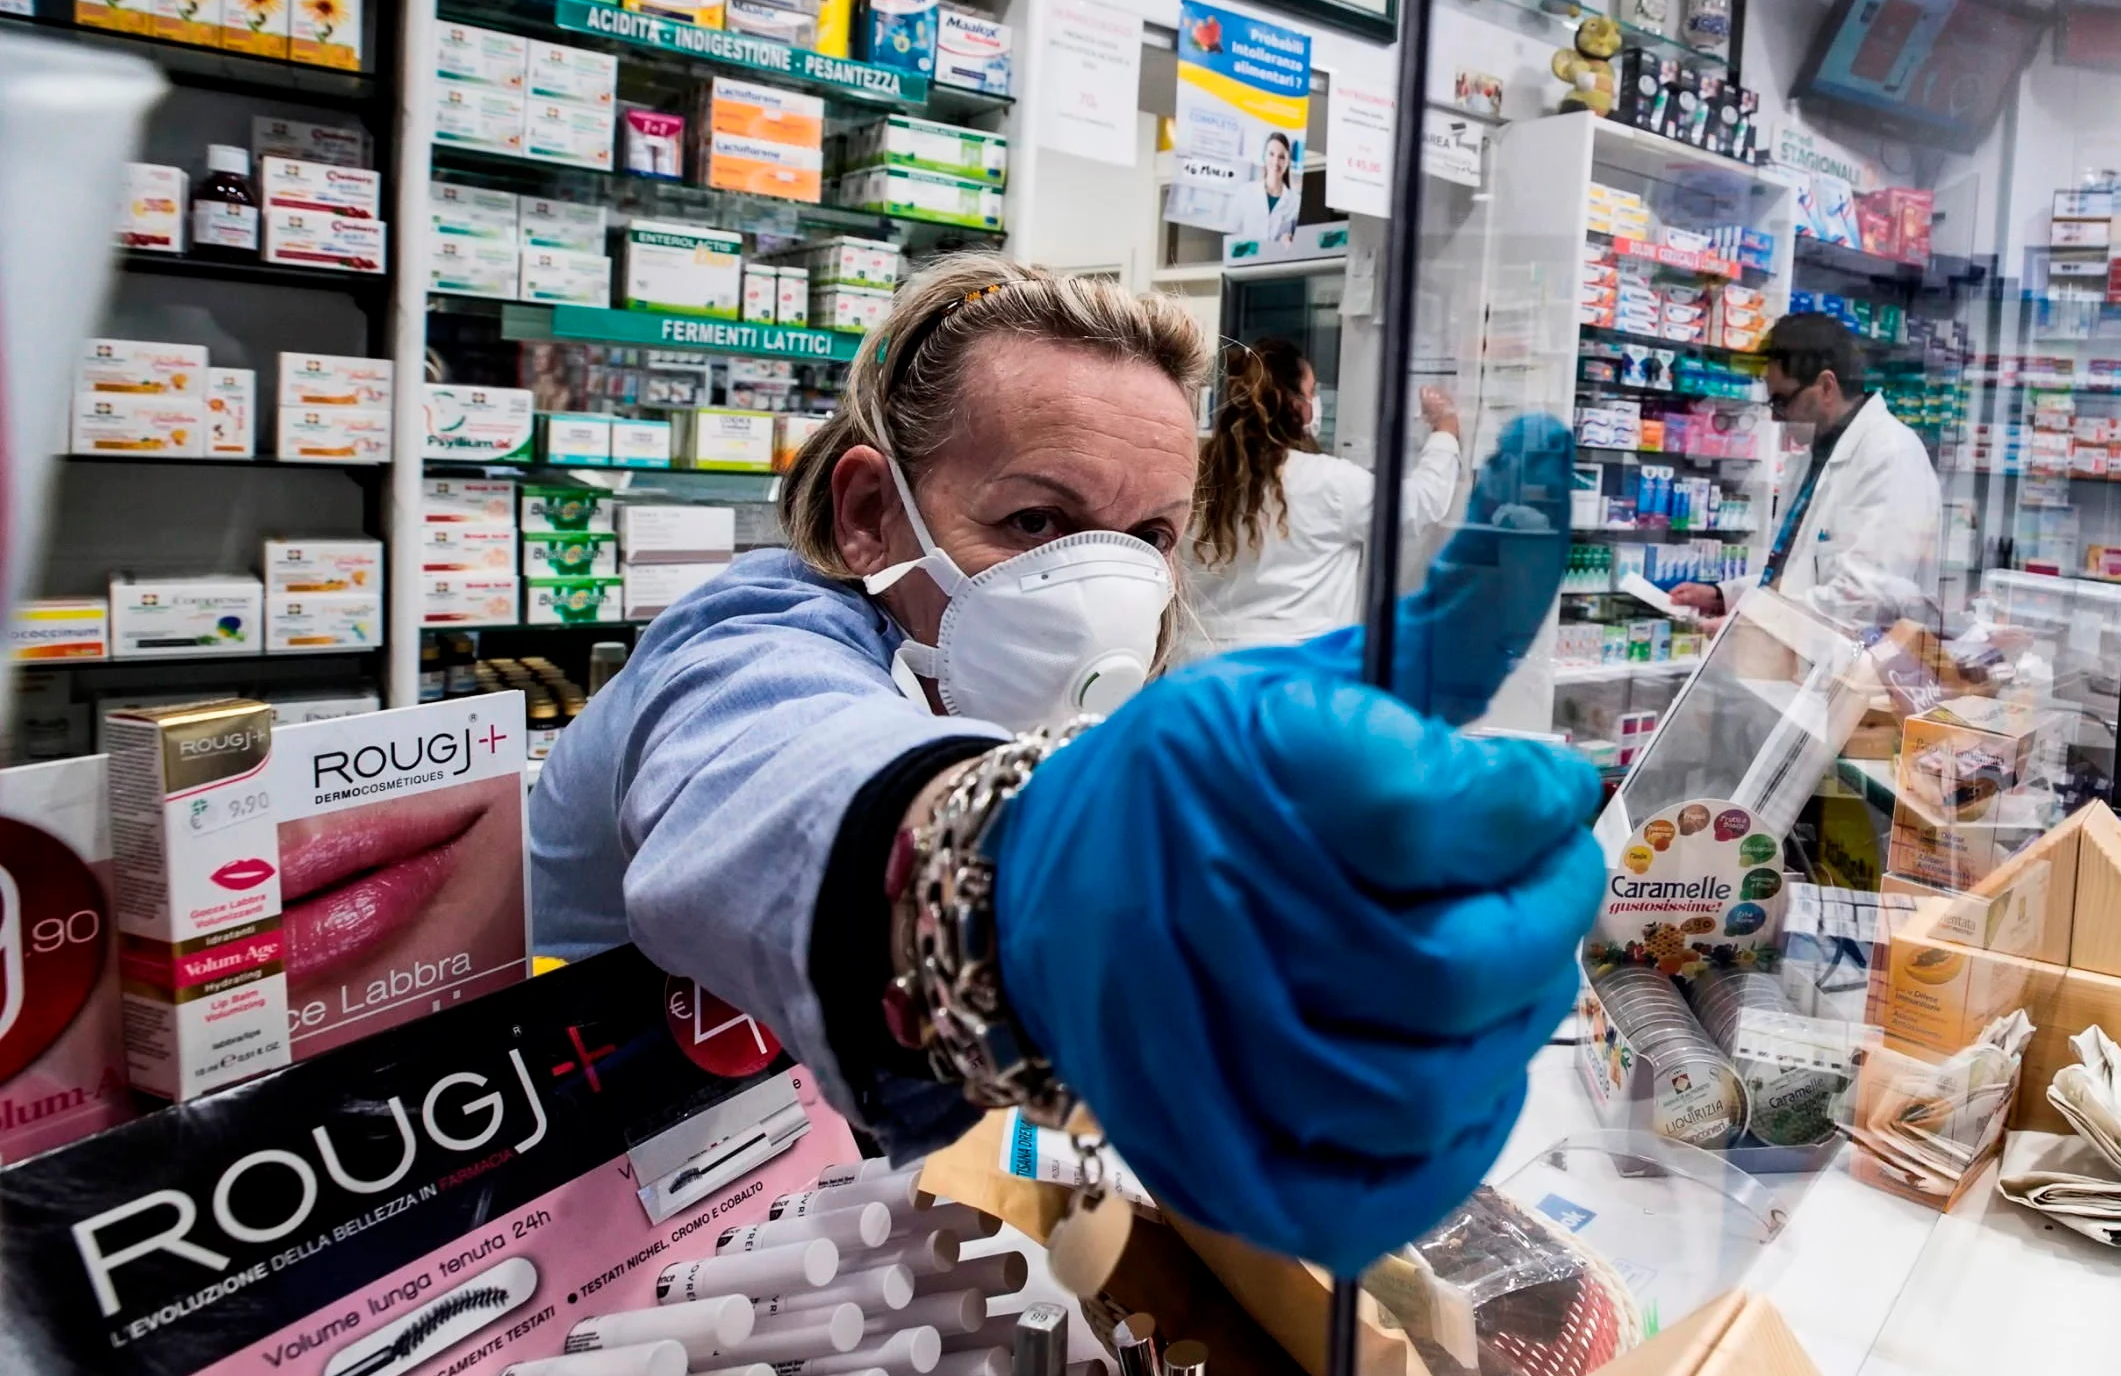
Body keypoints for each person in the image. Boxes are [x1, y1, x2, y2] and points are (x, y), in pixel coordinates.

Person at [528, 255, 1599, 1277]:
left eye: (1149, 537)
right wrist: (1022, 881)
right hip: (529, 1243)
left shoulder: (1063, 710)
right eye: (1035, 520)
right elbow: (782, 772)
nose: (1103, 587)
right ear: (868, 514)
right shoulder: (745, 639)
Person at [1174, 336, 1465, 661]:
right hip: (1290, 674)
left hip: (1198, 669)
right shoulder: (1328, 482)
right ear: (1298, 405)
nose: (1316, 402)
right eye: (1312, 391)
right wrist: (1445, 430)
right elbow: (1418, 504)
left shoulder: (1197, 479)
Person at [1672, 311, 1941, 624]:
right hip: (1804, 659)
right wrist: (1724, 597)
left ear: (1826, 387)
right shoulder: (1814, 456)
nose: (1776, 416)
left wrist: (1754, 620)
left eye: (1782, 400)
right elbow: (1795, 574)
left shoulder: (1891, 455)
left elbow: (1867, 598)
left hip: (1857, 664)